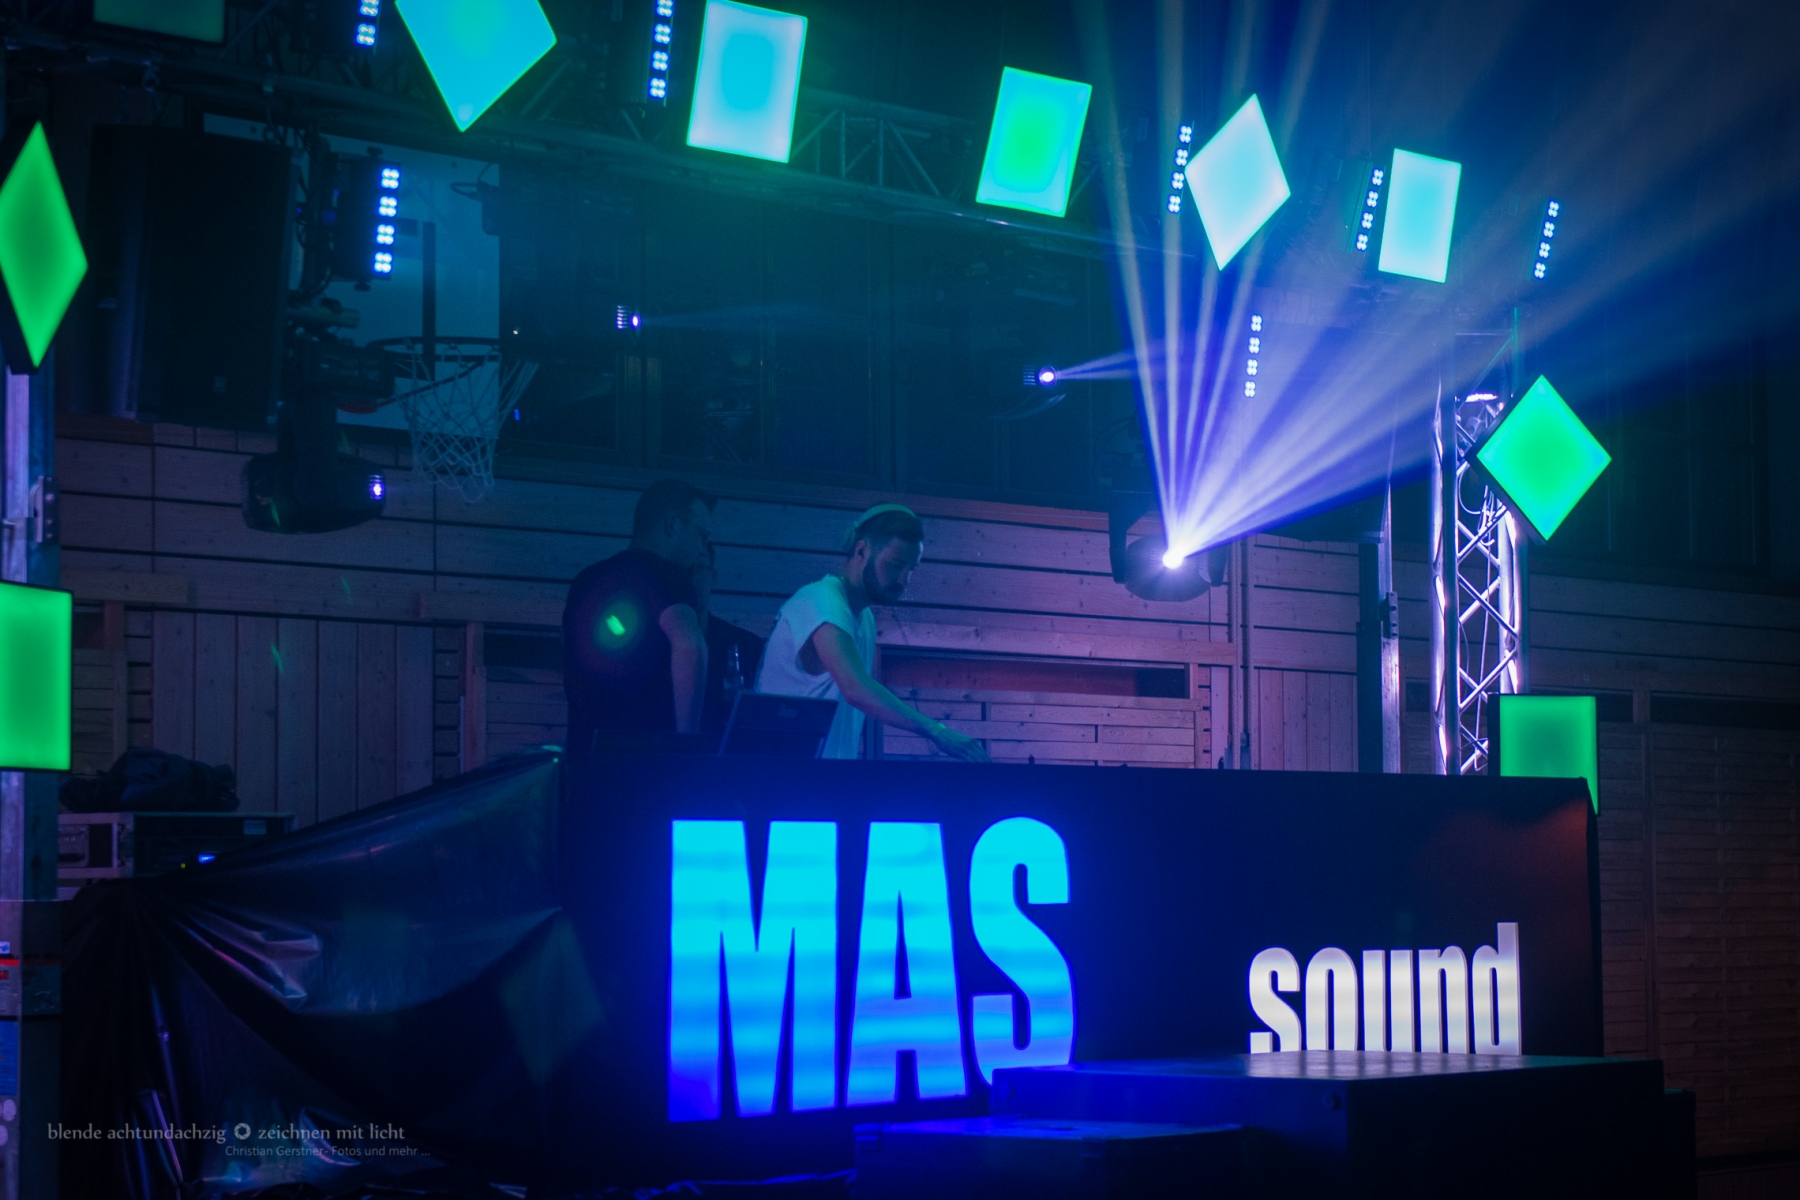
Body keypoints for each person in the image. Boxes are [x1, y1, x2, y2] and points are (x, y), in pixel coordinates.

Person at [756, 504, 989, 762]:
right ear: (862, 550)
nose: (903, 580)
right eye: (895, 565)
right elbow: (856, 688)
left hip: (818, 779)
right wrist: (938, 731)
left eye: (911, 569)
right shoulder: (820, 601)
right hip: (781, 777)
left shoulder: (864, 617)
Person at [562, 479, 713, 754]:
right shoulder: (671, 577)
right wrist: (687, 743)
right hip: (647, 756)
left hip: (585, 752)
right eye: (701, 534)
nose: (702, 547)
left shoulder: (586, 579)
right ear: (673, 524)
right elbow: (689, 646)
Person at [689, 541, 766, 739]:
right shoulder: (652, 649)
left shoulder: (748, 646)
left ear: (713, 576)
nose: (690, 577)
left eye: (698, 567)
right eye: (684, 568)